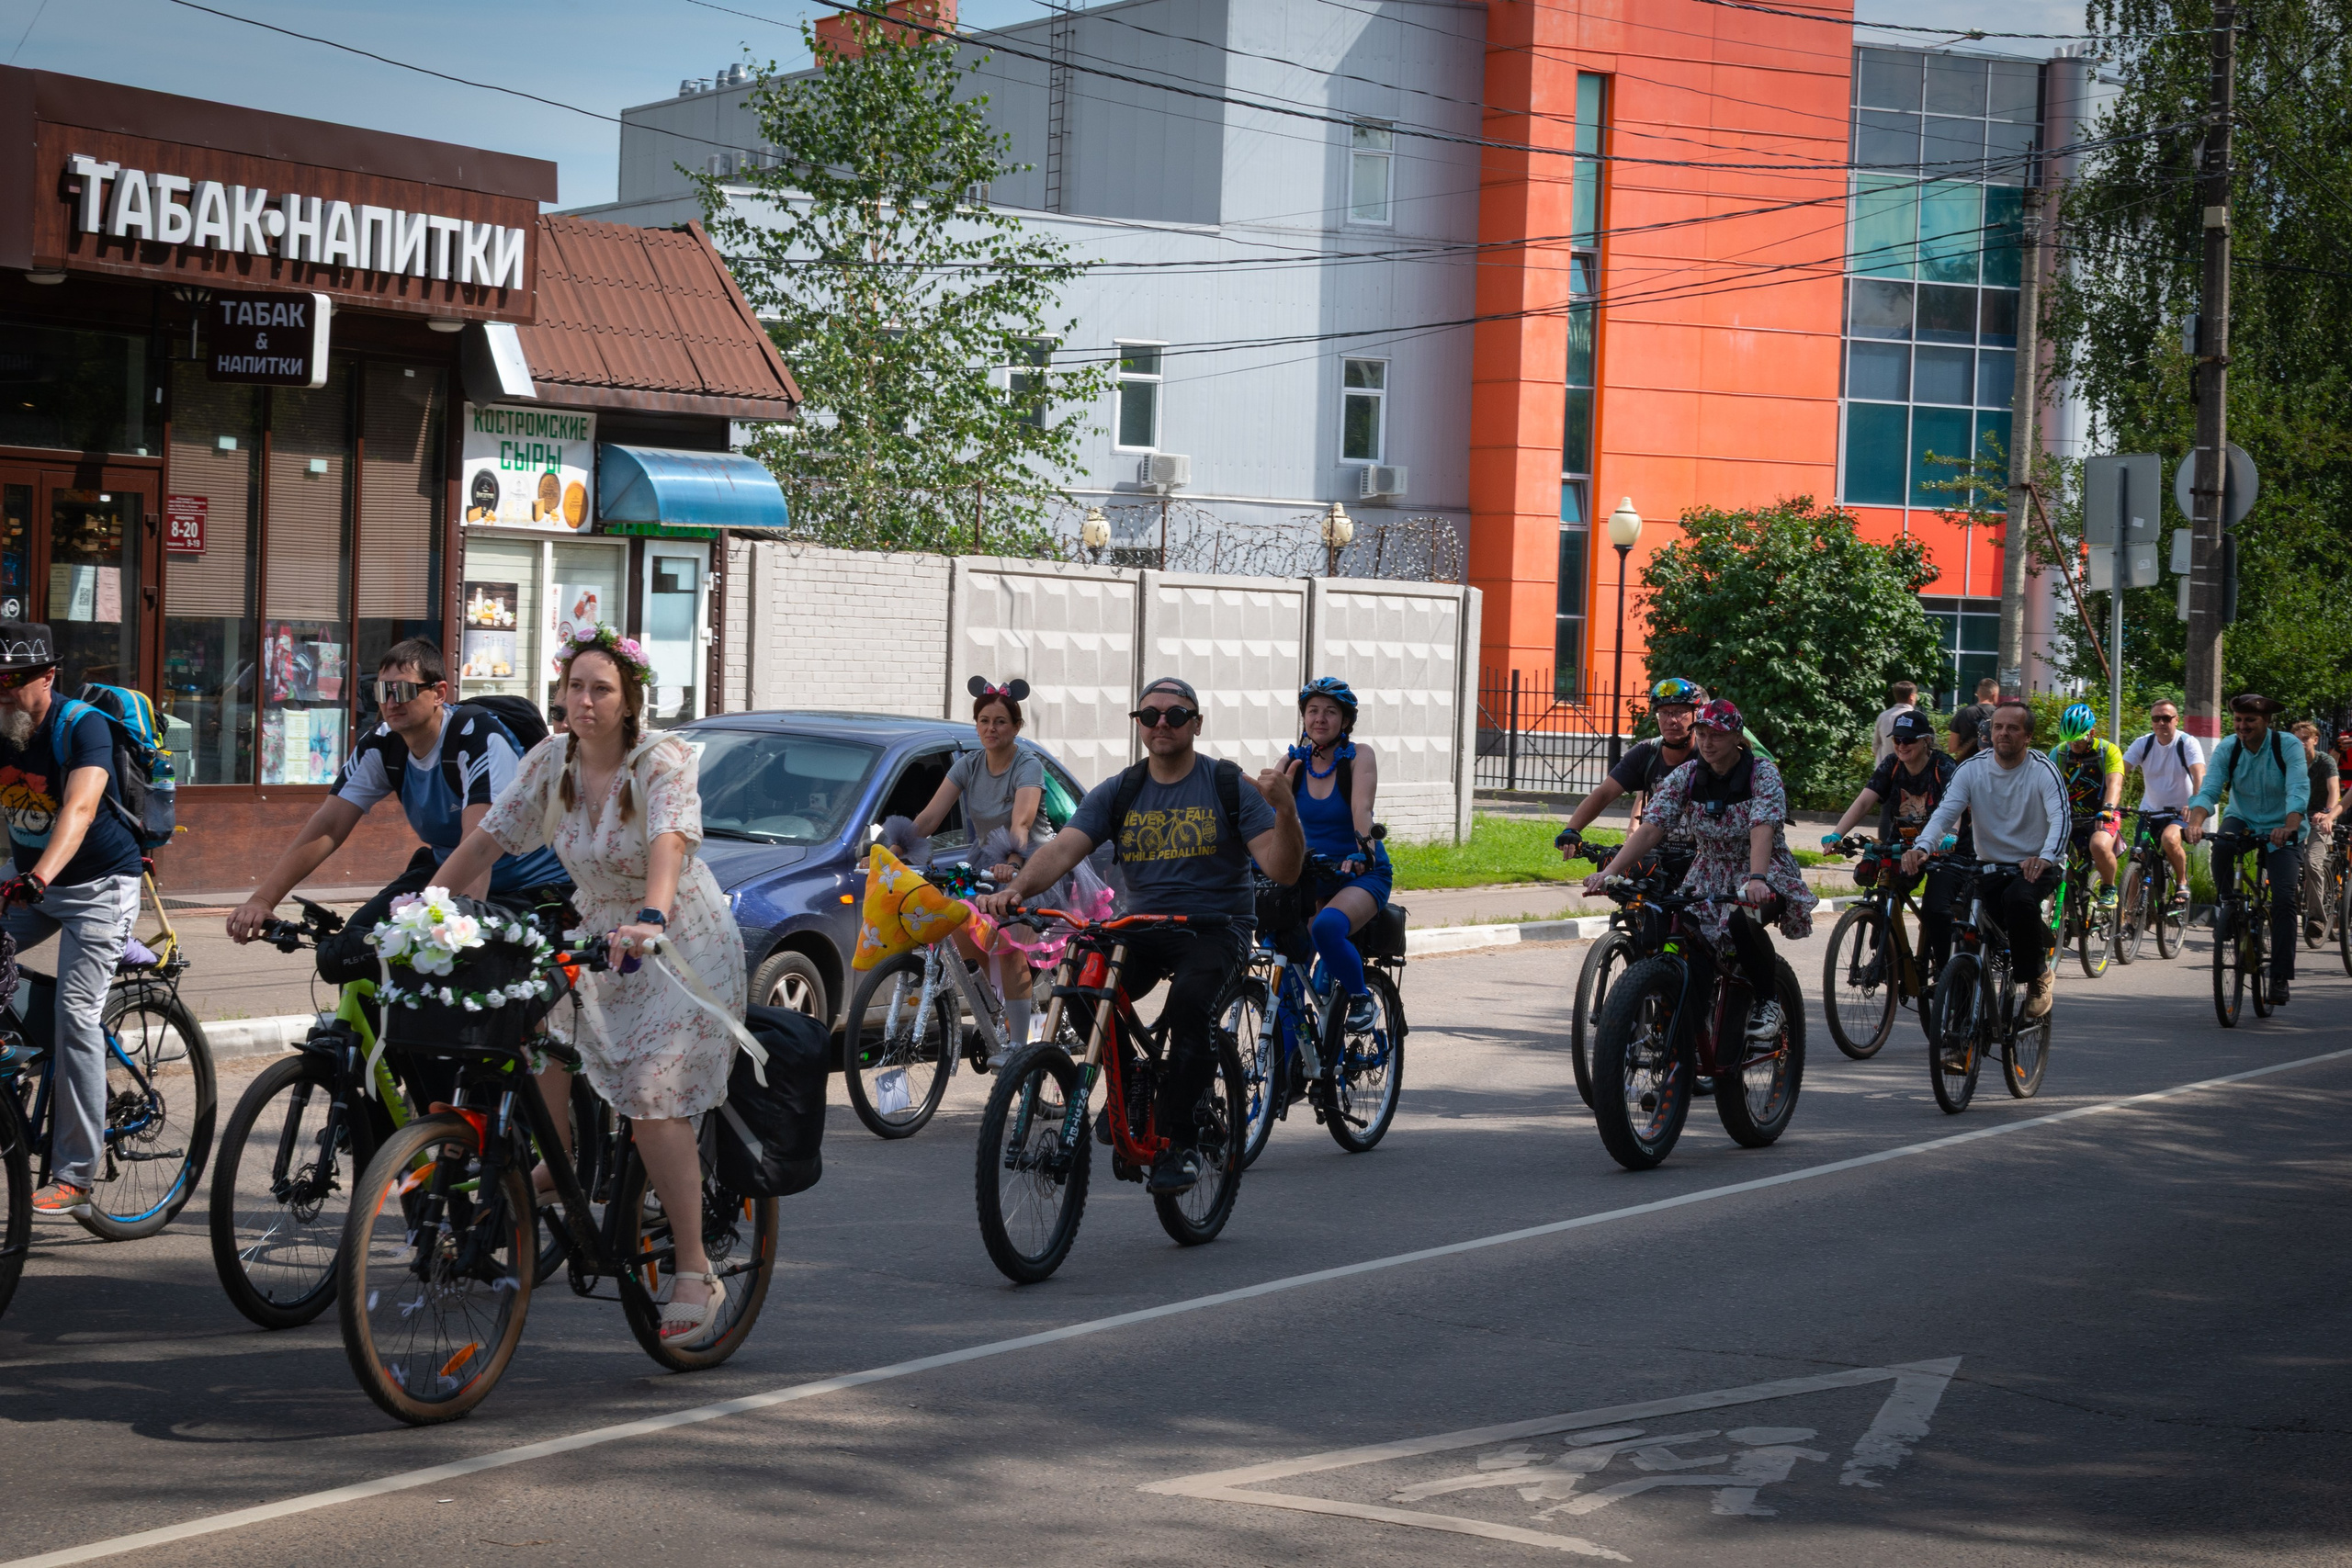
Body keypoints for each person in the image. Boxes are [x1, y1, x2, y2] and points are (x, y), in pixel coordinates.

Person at [437, 626, 748, 1346]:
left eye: (600, 688)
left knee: (651, 1098)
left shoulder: (660, 759)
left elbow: (670, 840)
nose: (584, 700)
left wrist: (651, 915)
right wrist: (424, 901)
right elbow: (488, 838)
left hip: (679, 942)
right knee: (534, 1024)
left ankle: (695, 1268)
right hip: (597, 933)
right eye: (574, 686)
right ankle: (561, 1157)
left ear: (629, 698)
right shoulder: (554, 759)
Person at [975, 675, 1305, 1195]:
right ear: (1139, 725)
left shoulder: (1228, 785)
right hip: (1142, 927)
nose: (1161, 724)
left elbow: (1283, 870)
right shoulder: (1122, 790)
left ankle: (1183, 1140)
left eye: (1175, 715)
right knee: (1081, 983)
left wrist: (1286, 808)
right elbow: (1062, 851)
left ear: (1196, 723)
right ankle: (1128, 1087)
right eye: (1149, 716)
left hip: (1216, 927)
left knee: (1193, 1003)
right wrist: (1015, 890)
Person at [227, 639, 570, 969]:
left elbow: (478, 848)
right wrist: (263, 900)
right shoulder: (383, 744)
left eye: (403, 691)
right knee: (353, 949)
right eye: (381, 692)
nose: (391, 702)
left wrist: (452, 926)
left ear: (438, 693)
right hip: (444, 874)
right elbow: (329, 825)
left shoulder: (477, 735)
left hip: (530, 886)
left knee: (467, 980)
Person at [0, 623, 144, 1216]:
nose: (3, 692)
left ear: (48, 676)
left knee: (76, 1012)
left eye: (14, 680)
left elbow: (80, 809)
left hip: (99, 885)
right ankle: (21, 1063)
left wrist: (38, 877)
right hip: (33, 881)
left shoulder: (81, 724)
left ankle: (77, 1171)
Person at [1584, 699, 1816, 1043]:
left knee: (1743, 921)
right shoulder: (1688, 775)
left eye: (1716, 736)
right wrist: (1612, 871)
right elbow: (1651, 828)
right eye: (1702, 734)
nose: (1706, 743)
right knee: (1684, 935)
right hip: (1706, 871)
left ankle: (1768, 1001)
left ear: (1737, 737)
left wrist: (1756, 878)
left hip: (1763, 869)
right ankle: (1692, 1026)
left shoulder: (1762, 773)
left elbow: (1762, 827)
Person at [906, 676, 1054, 1060]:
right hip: (985, 858)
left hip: (1031, 859)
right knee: (955, 923)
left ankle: (1019, 1047)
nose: (991, 728)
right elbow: (928, 818)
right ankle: (998, 1010)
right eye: (984, 720)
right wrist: (892, 848)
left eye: (1001, 721)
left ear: (1017, 727)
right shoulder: (969, 765)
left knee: (1006, 943)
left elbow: (1021, 824)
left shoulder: (1028, 765)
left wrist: (1012, 862)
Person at [1907, 700, 2069, 1021]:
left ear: (2028, 737)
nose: (2003, 733)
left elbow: (2060, 818)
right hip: (1989, 866)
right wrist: (1923, 846)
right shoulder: (1972, 769)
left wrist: (2046, 857)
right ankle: (1959, 1038)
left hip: (2036, 864)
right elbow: (1944, 815)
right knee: (1967, 939)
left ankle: (2037, 976)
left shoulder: (2043, 770)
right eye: (1998, 726)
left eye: (2013, 728)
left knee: (2018, 898)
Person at [2185, 694, 2308, 1005]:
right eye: (2238, 720)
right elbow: (2210, 787)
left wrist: (2290, 827)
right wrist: (2196, 823)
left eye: (2250, 721)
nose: (2242, 726)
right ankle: (2229, 906)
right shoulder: (2230, 747)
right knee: (2222, 847)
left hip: (2283, 828)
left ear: (2266, 722)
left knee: (2283, 900)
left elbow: (2297, 789)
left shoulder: (2287, 745)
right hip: (2243, 818)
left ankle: (2279, 975)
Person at [1823, 709, 1964, 976]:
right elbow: (1865, 800)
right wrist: (1837, 833)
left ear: (1926, 741)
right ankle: (1887, 955)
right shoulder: (1891, 764)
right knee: (1885, 892)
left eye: (1908, 740)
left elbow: (1957, 806)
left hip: (1943, 850)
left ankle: (1949, 977)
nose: (1901, 745)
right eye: (1897, 739)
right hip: (1903, 847)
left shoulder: (1943, 767)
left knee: (1935, 909)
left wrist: (1951, 835)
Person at [1282, 676, 1388, 1033]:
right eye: (1312, 711)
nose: (1320, 719)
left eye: (1330, 712)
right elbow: (1265, 818)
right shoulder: (1292, 764)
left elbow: (1362, 809)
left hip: (1360, 871)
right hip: (1310, 873)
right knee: (1278, 949)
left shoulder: (1359, 757)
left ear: (1345, 721)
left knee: (1327, 927)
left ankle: (1360, 998)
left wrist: (1363, 851)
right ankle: (1289, 1063)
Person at [1554, 677, 1702, 874]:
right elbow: (1604, 793)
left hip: (1702, 857)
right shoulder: (1646, 753)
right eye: (1664, 713)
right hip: (1654, 853)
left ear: (1696, 714)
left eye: (1680, 712)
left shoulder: (1708, 754)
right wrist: (1571, 830)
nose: (1671, 720)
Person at [2121, 699, 2205, 915]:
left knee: (2169, 839)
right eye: (2156, 718)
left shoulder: (2187, 743)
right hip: (2150, 811)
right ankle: (2129, 918)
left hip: (2180, 812)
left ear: (2176, 720)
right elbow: (2120, 772)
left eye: (2166, 718)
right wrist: (2111, 800)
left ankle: (2182, 882)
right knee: (2136, 859)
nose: (2161, 722)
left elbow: (2199, 775)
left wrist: (2194, 804)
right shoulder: (2144, 743)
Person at [2048, 703, 2125, 911]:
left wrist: (2108, 808)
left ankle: (2109, 889)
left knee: (2099, 846)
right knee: (2054, 855)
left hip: (2102, 815)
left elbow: (2115, 784)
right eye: (2069, 740)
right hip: (2069, 817)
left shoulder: (2108, 751)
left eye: (2078, 739)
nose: (2073, 744)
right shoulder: (2059, 753)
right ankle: (2069, 895)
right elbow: (2046, 787)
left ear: (2091, 733)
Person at [2294, 721, 2341, 941]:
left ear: (2315, 739)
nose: (2301, 743)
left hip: (2319, 818)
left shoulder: (2325, 761)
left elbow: (2334, 789)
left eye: (2305, 738)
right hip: (2294, 817)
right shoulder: (2290, 762)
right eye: (2297, 739)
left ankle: (2316, 919)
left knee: (2312, 862)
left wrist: (2328, 813)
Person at [1951, 677, 1999, 761]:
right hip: (1992, 762)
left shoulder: (1962, 713)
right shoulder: (2000, 715)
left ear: (1978, 693)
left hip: (1966, 762)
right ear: (1994, 695)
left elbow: (1952, 748)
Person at [1872, 681, 1919, 763]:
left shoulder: (1883, 716)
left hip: (1884, 770)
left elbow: (1875, 746)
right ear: (1912, 696)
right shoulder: (1917, 717)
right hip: (1909, 771)